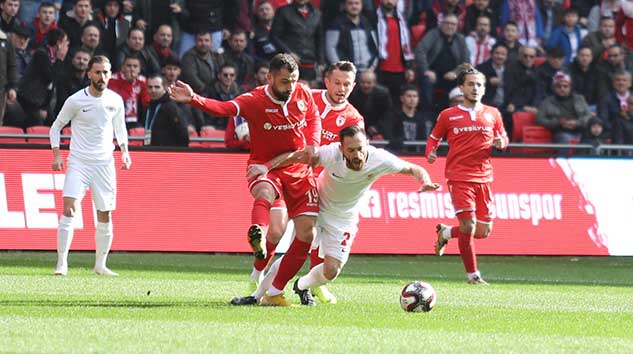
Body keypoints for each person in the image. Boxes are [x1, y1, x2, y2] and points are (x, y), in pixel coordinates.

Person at [169, 53, 321, 307]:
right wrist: (193, 98)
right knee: (265, 196)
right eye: (285, 81)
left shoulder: (302, 93)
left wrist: (314, 145)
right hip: (263, 167)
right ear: (270, 77)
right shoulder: (254, 100)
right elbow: (224, 108)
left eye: (294, 80)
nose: (290, 86)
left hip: (298, 169)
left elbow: (314, 118)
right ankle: (257, 237)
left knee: (306, 233)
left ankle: (272, 289)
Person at [232, 125, 439, 306]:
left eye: (360, 149)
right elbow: (299, 155)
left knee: (332, 271)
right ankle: (258, 295)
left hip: (344, 218)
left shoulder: (380, 159)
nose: (357, 155)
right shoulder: (331, 153)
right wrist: (266, 167)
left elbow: (414, 168)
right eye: (351, 150)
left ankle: (302, 285)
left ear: (367, 143)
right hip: (318, 205)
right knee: (297, 250)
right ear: (341, 149)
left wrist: (425, 181)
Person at [245, 60, 365, 305]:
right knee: (277, 230)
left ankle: (308, 285)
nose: (342, 88)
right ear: (327, 81)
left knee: (307, 239)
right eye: (338, 83)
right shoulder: (305, 97)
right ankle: (257, 275)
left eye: (348, 84)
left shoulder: (354, 119)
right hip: (288, 171)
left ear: (354, 86)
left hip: (316, 185)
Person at [426, 64, 509, 285]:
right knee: (469, 226)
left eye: (479, 84)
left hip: (484, 177)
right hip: (459, 176)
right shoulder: (448, 115)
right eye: (470, 84)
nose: (475, 88)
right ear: (461, 88)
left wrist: (501, 143)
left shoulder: (493, 114)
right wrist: (430, 152)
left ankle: (446, 233)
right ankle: (473, 275)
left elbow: (503, 138)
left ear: (484, 89)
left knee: (482, 232)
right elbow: (434, 138)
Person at [49, 55, 131, 277]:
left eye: (105, 72)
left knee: (105, 213)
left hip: (104, 163)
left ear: (110, 74)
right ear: (89, 74)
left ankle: (100, 265)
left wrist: (124, 152)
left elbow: (120, 128)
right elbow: (55, 127)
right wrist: (57, 155)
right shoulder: (76, 100)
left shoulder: (115, 100)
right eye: (97, 72)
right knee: (69, 209)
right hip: (79, 162)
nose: (102, 76)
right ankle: (62, 263)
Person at [145, 74, 188, 147]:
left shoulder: (171, 107)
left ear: (164, 88)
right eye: (150, 87)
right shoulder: (148, 106)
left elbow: (182, 132)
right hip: (151, 149)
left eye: (157, 87)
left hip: (168, 152)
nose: (153, 90)